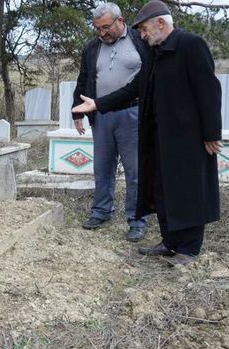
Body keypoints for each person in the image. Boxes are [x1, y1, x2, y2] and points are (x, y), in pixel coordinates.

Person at [72, 0, 223, 266]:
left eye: (143, 30)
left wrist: (212, 133)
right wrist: (98, 104)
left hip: (188, 137)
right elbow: (134, 89)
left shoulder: (191, 45)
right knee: (163, 189)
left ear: (161, 24)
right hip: (159, 136)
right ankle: (170, 242)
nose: (141, 35)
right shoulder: (155, 52)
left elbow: (209, 91)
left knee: (187, 191)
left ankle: (189, 249)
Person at [72, 2, 149, 242]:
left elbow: (152, 76)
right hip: (101, 115)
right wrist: (76, 112)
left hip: (132, 114)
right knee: (102, 168)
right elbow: (84, 78)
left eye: (106, 27)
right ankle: (101, 211)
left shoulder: (140, 40)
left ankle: (137, 220)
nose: (102, 33)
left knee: (135, 171)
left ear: (120, 21)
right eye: (97, 28)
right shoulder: (93, 47)